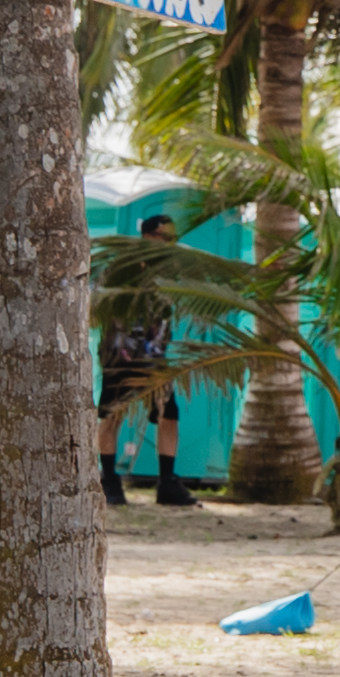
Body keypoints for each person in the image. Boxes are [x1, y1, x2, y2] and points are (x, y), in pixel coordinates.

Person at [102, 209, 192, 505]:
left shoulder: (169, 273)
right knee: (112, 413)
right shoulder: (123, 267)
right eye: (164, 237)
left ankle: (167, 482)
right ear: (147, 236)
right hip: (122, 355)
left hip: (156, 358)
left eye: (173, 238)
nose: (169, 244)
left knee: (169, 415)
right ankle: (109, 480)